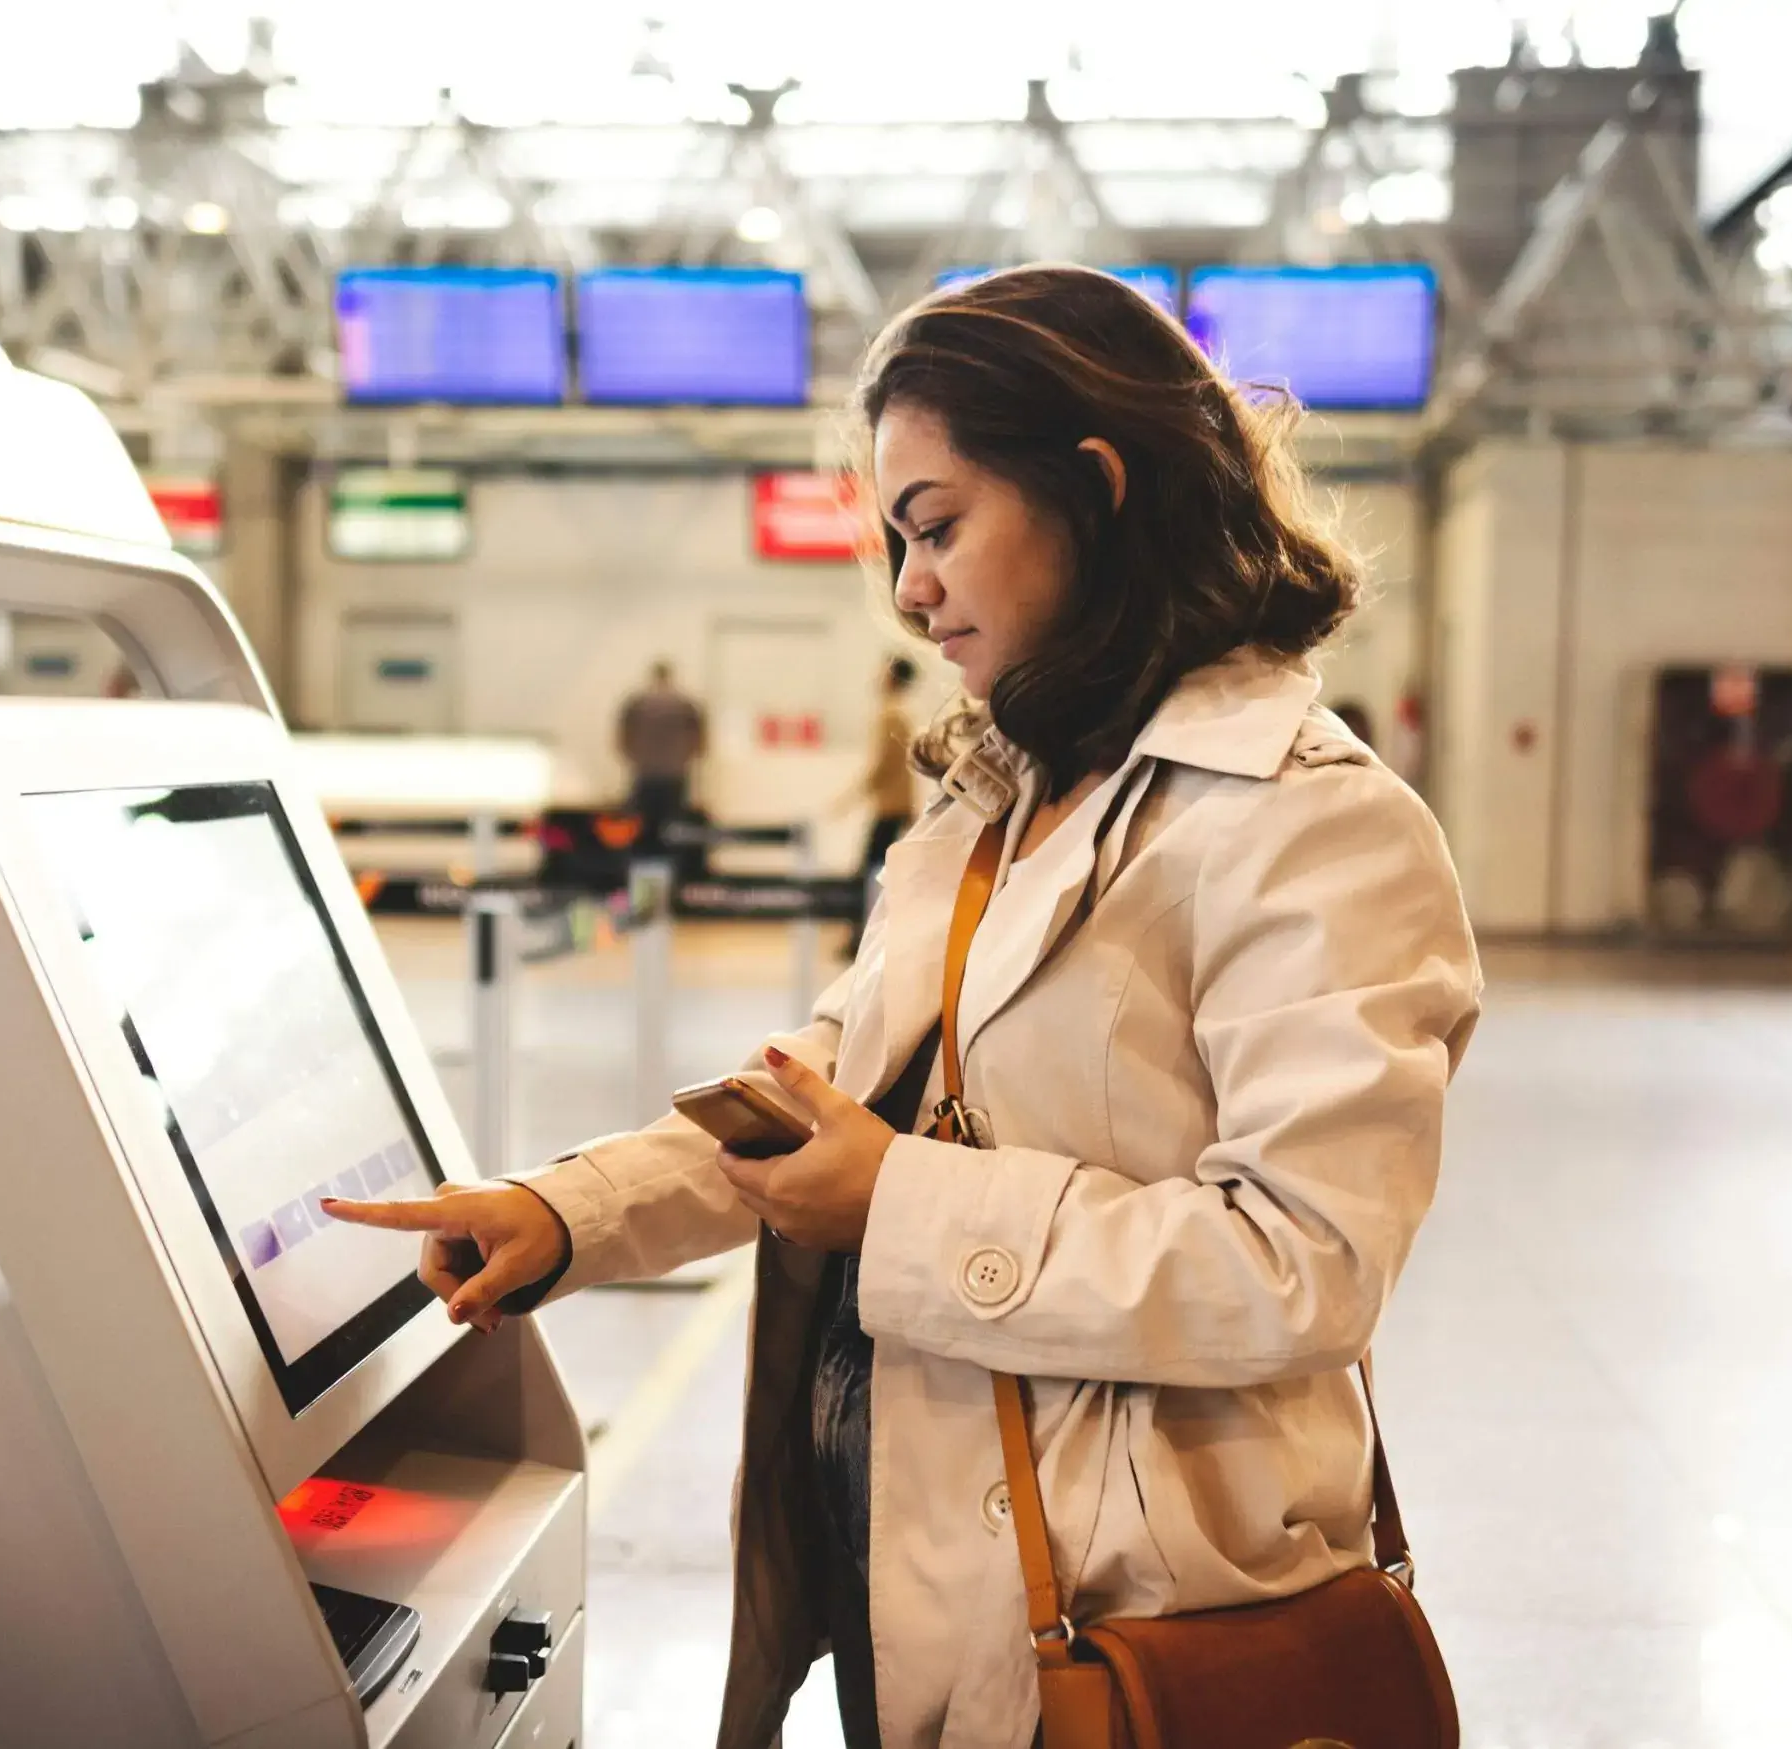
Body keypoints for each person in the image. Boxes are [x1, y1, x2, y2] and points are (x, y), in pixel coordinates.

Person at [330, 266, 1481, 1749]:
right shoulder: (994, 797)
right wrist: (574, 1212)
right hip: (913, 1570)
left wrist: (904, 1203)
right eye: (896, 539)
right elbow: (843, 1083)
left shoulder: (1310, 826)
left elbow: (1300, 1262)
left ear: (1097, 489)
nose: (908, 587)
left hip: (1131, 1624)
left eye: (938, 526)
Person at [839, 655, 922, 956]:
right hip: (895, 805)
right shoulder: (900, 716)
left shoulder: (891, 717)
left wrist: (848, 798)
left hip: (889, 807)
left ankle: (858, 939)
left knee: (868, 874)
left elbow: (882, 766)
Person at [615, 658, 706, 841]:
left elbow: (623, 735)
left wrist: (632, 756)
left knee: (643, 823)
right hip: (675, 772)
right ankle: (673, 860)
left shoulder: (637, 703)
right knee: (673, 822)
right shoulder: (685, 704)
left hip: (645, 771)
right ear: (669, 677)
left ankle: (644, 856)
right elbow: (699, 737)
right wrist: (688, 756)